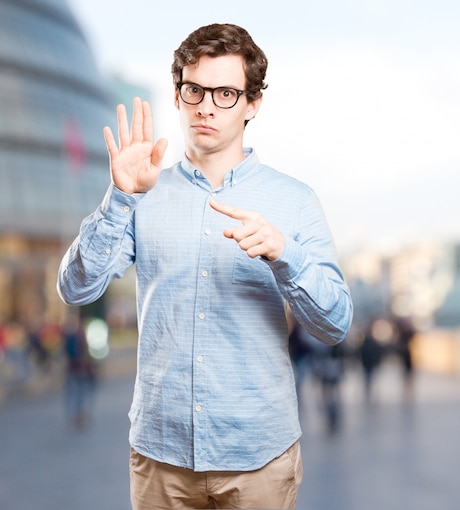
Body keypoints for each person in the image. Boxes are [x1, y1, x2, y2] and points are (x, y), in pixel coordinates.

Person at [57, 23, 353, 510]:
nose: (206, 106)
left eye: (225, 93)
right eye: (194, 89)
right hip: (160, 455)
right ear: (178, 95)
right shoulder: (142, 193)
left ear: (252, 104)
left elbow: (335, 323)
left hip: (258, 455)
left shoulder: (295, 201)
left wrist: (285, 255)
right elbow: (75, 289)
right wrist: (121, 199)